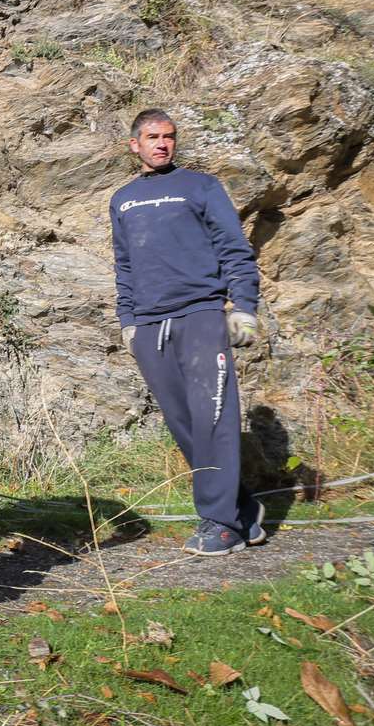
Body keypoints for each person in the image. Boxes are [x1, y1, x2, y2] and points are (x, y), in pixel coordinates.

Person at [110, 108, 267, 556]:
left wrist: (244, 307)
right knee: (183, 423)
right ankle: (240, 509)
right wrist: (128, 322)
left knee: (213, 416)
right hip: (148, 325)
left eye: (169, 137)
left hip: (201, 315)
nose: (162, 144)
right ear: (134, 144)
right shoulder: (122, 199)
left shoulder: (201, 186)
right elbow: (124, 265)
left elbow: (235, 249)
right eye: (153, 137)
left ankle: (219, 524)